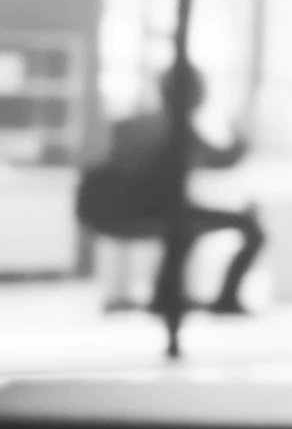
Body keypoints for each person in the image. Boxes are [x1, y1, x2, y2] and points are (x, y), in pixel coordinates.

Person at [77, 62, 266, 316]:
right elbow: (223, 159)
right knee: (248, 228)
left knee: (186, 226)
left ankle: (165, 295)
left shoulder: (130, 124)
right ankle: (225, 299)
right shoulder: (177, 128)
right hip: (151, 211)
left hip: (115, 212)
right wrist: (240, 132)